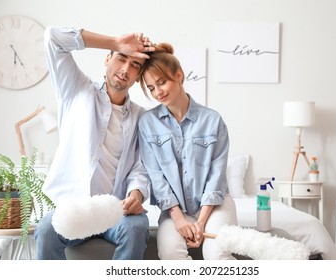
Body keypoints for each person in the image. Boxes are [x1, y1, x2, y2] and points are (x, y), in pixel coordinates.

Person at [34, 26, 155, 260]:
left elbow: (140, 168)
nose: (125, 70)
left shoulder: (142, 117)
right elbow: (53, 37)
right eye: (121, 58)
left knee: (137, 227)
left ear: (138, 76)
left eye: (135, 66)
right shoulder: (75, 89)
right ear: (107, 58)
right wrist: (116, 40)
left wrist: (136, 194)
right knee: (45, 230)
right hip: (73, 208)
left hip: (115, 212)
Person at [137, 43, 238, 260]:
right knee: (170, 253)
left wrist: (200, 223)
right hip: (175, 209)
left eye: (161, 82)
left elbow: (216, 175)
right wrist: (179, 219)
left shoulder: (212, 120)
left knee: (217, 254)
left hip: (215, 205)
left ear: (179, 75)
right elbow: (156, 176)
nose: (158, 92)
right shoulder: (147, 122)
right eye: (151, 87)